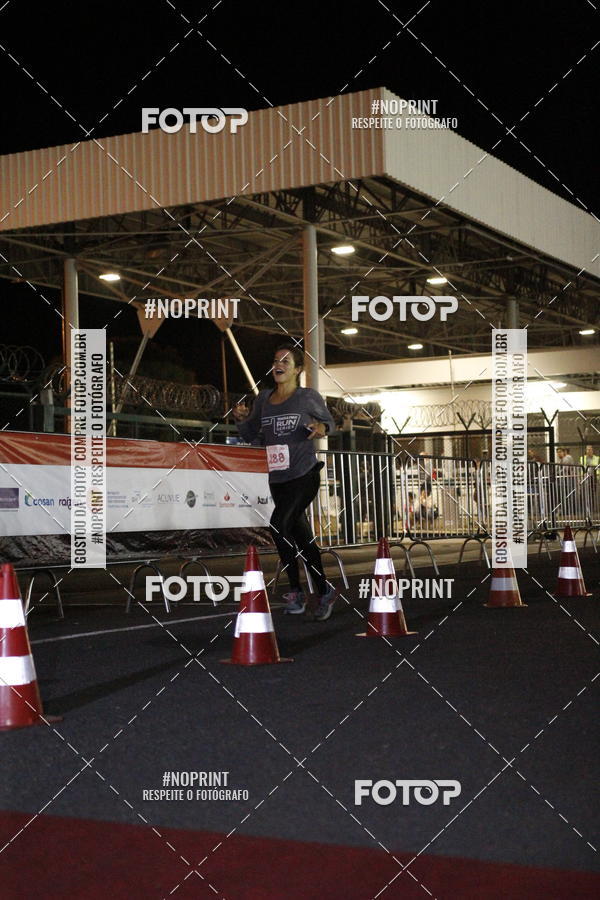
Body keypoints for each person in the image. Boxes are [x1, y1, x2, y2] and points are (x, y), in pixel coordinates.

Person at [232, 343, 337, 620]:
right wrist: (242, 420)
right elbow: (252, 435)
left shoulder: (306, 397)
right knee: (301, 536)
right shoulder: (264, 399)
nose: (278, 364)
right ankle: (325, 590)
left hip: (304, 474)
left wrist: (321, 428)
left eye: (286, 361)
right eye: (276, 360)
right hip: (278, 478)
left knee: (278, 526)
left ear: (298, 370)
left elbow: (331, 423)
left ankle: (296, 591)